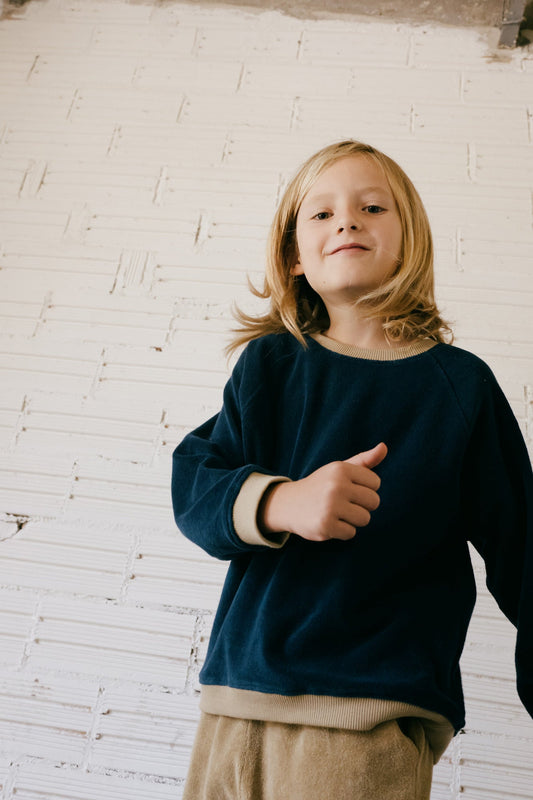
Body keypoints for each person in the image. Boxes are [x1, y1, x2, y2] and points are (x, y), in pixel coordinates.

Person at [171, 140, 533, 800]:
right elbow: (194, 479)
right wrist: (281, 503)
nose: (346, 221)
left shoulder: (460, 388)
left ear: (411, 240)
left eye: (371, 207)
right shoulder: (268, 367)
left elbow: (525, 551)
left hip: (366, 722)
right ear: (292, 255)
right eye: (321, 213)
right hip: (233, 705)